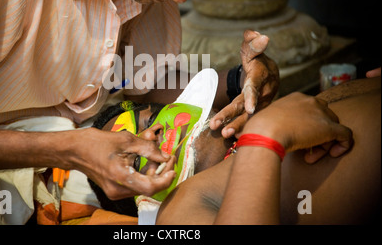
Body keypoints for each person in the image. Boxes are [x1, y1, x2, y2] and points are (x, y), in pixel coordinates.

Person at [0, 0, 280, 222]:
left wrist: (239, 80)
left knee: (221, 164)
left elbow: (145, 83)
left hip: (72, 157)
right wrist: (66, 149)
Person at [76, 70, 380, 224]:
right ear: (144, 202)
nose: (152, 134)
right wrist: (265, 136)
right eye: (133, 158)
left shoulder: (270, 113)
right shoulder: (180, 208)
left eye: (149, 119)